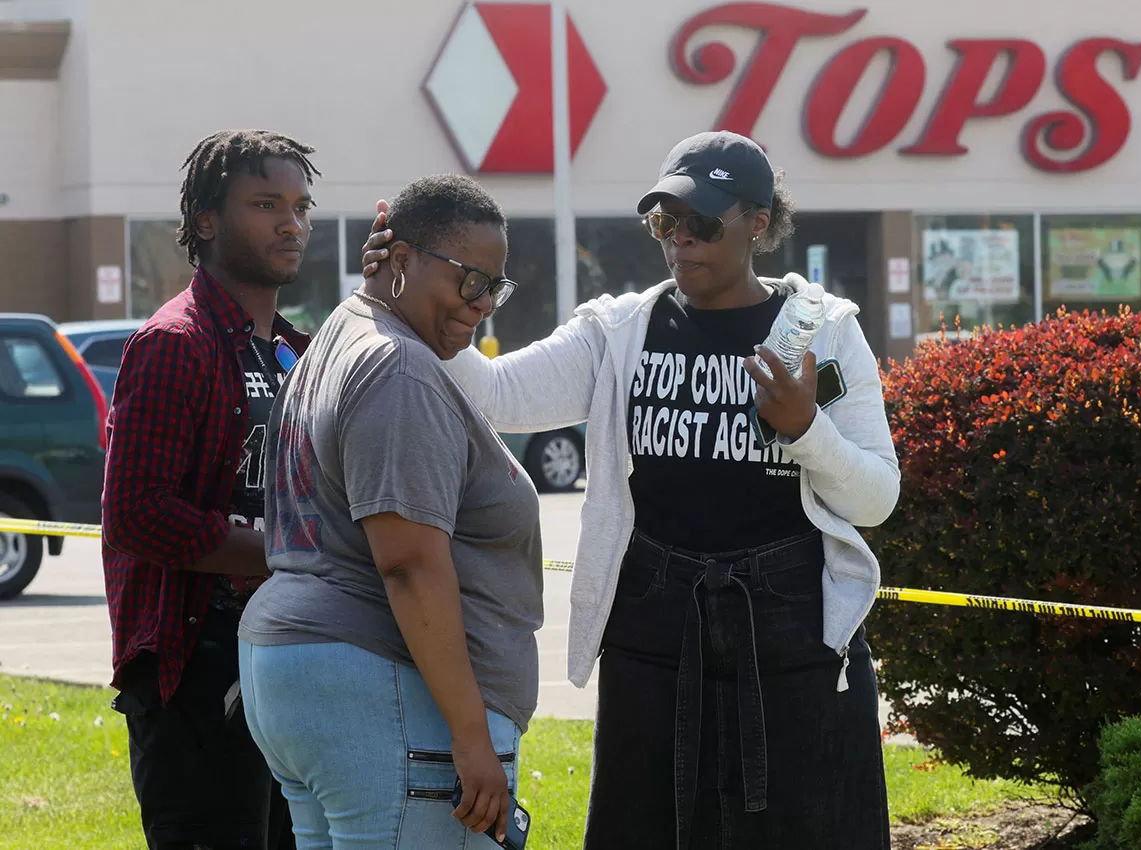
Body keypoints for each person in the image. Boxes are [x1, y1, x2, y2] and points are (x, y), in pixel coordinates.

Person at [362, 131, 900, 848]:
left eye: (701, 223)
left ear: (759, 225)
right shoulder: (620, 331)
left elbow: (876, 499)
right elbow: (496, 396)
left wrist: (807, 429)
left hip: (793, 638)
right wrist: (413, 302)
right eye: (664, 221)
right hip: (654, 629)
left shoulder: (823, 333)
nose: (680, 240)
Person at [237, 173, 543, 848]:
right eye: (470, 280)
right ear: (400, 261)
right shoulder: (395, 368)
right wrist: (471, 738)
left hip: (317, 678)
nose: (484, 303)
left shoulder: (344, 336)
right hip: (384, 686)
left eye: (496, 286)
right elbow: (408, 565)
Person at [101, 129, 316, 850]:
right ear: (206, 222)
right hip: (195, 673)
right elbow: (137, 514)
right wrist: (289, 555)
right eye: (265, 204)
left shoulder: (296, 352)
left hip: (289, 664)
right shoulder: (174, 343)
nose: (292, 222)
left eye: (300, 205)